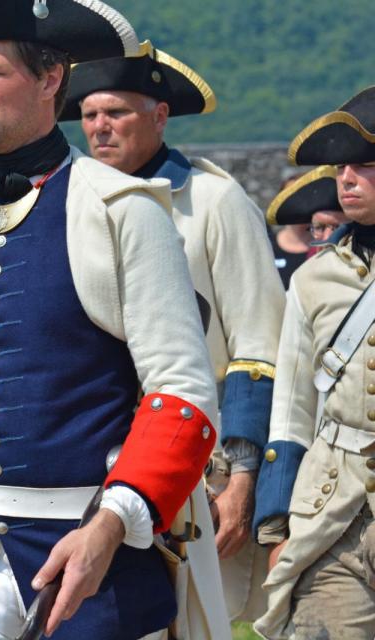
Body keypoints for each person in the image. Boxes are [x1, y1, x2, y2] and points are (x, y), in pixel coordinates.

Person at [0, 2, 228, 638]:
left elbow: (182, 391)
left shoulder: (125, 210)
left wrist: (109, 527)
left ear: (50, 77)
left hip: (91, 557)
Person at [63, 40, 285, 623]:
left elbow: (258, 348)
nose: (100, 128)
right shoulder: (72, 206)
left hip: (195, 468)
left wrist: (241, 478)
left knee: (193, 621)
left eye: (117, 113)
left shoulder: (215, 201)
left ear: (160, 117)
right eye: (89, 115)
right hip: (93, 460)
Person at [255, 87, 375, 640]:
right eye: (343, 166)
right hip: (334, 514)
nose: (346, 179)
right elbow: (292, 411)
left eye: (366, 166)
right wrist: (278, 521)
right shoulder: (313, 278)